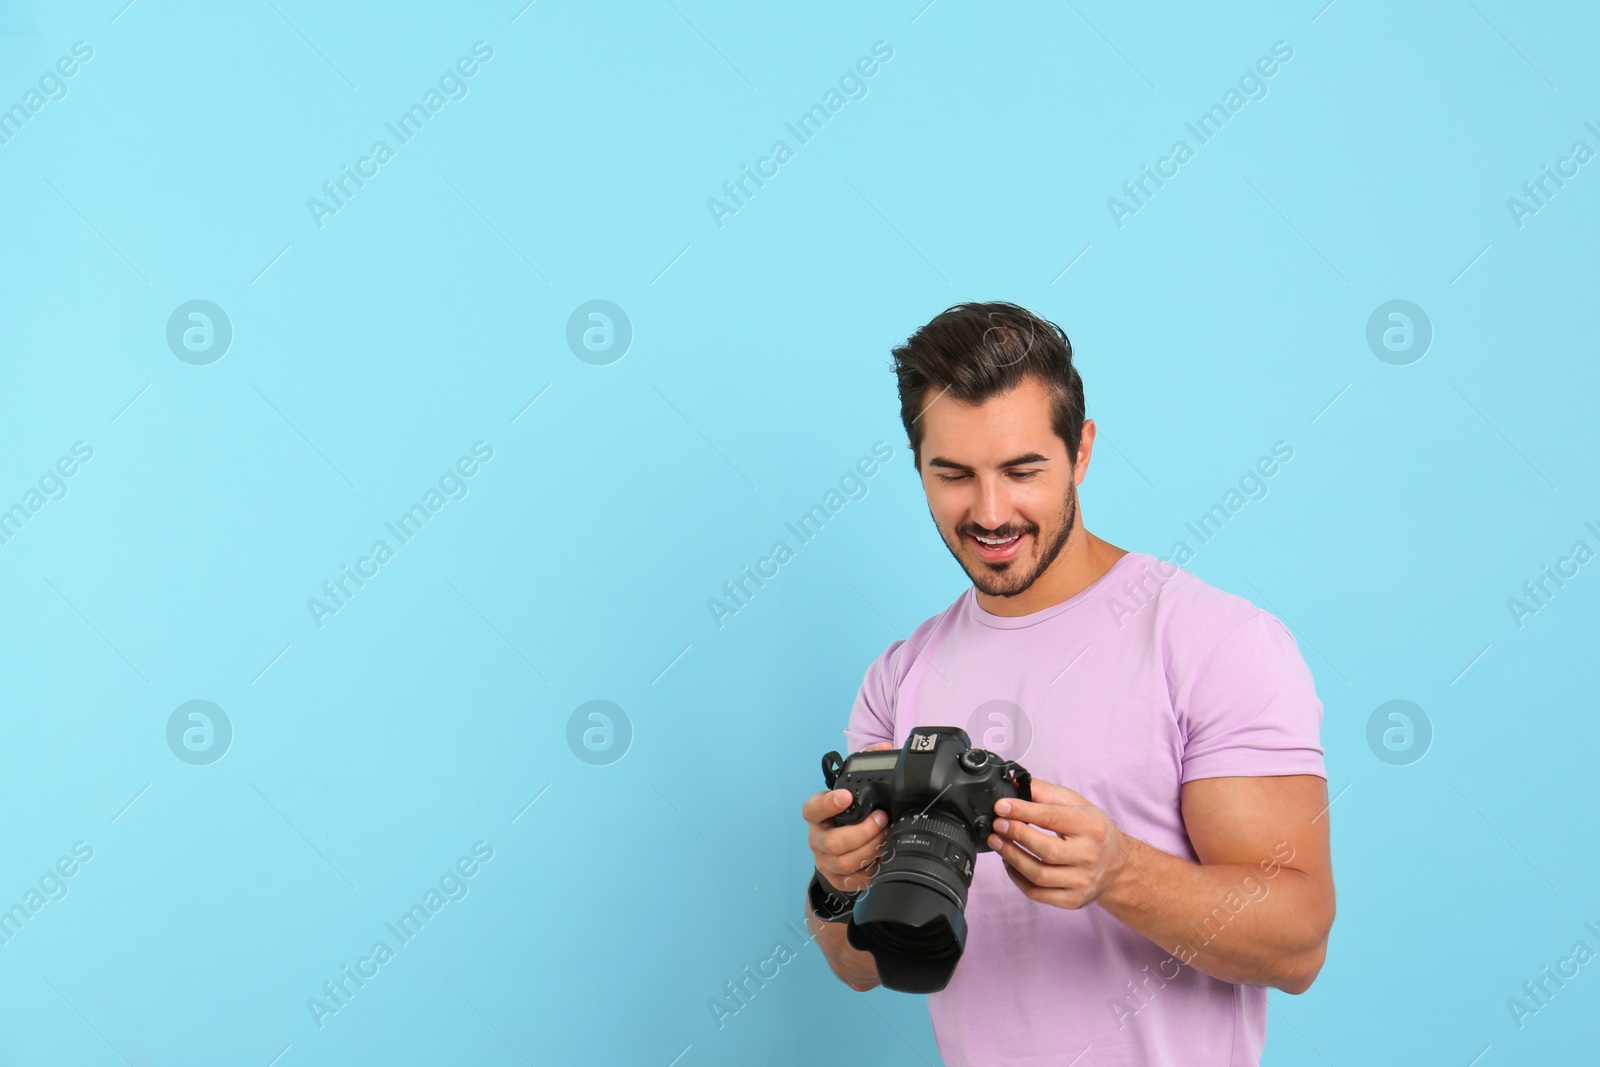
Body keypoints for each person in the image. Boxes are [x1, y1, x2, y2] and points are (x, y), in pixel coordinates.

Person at [800, 302, 1334, 1066]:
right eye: (953, 473)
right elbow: (863, 966)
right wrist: (833, 883)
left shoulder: (1213, 641)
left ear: (1080, 450)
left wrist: (1119, 870)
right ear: (917, 464)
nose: (990, 512)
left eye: (1023, 471)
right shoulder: (899, 676)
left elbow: (1299, 940)